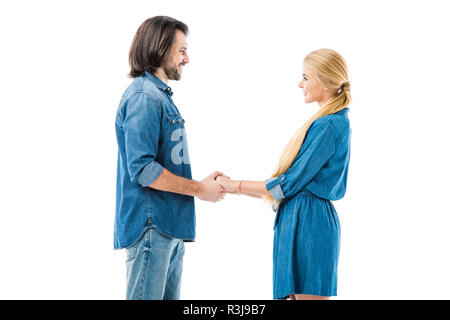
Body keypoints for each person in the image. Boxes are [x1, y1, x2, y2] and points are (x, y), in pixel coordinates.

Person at [217, 48, 352, 300]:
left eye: (305, 77)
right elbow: (287, 186)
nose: (300, 83)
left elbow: (287, 184)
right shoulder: (325, 122)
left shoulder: (330, 125)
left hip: (310, 221)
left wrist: (233, 186)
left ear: (324, 79)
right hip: (298, 218)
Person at [114, 16, 225, 300]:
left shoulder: (160, 97)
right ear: (160, 48)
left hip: (169, 229)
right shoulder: (143, 97)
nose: (186, 59)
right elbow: (143, 169)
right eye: (181, 50)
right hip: (152, 229)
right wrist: (200, 189)